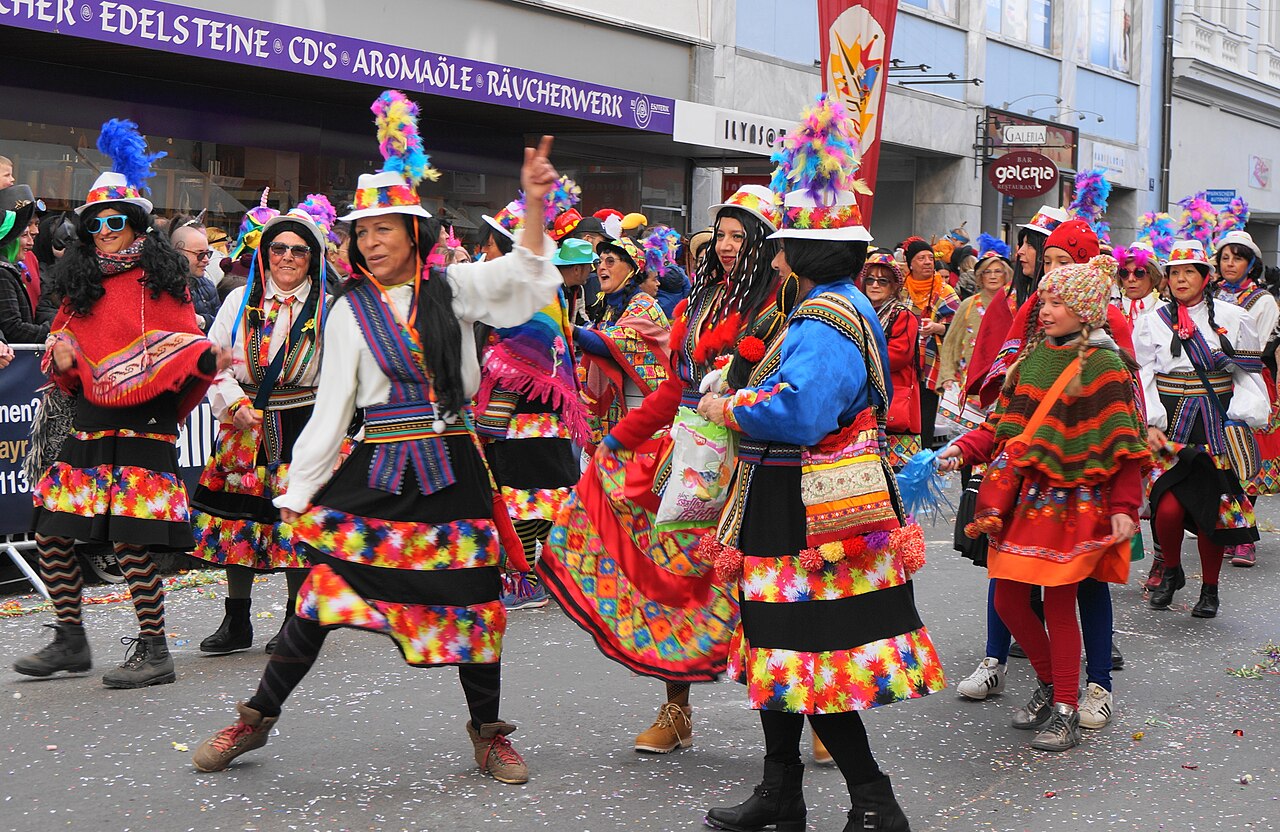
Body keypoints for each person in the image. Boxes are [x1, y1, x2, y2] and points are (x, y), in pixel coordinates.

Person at [192, 91, 562, 785]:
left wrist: (536, 206)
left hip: (453, 468)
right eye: (361, 232)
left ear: (413, 231)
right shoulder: (348, 309)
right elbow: (332, 411)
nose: (369, 241)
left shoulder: (453, 287)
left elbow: (530, 280)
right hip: (382, 470)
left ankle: (489, 734)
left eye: (383, 228)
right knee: (320, 594)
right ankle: (254, 719)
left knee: (475, 604)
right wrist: (298, 490)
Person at [696, 95, 943, 832]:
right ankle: (782, 792)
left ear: (802, 252)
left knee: (807, 657)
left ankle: (874, 799)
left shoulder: (826, 318)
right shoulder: (835, 307)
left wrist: (729, 407)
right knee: (779, 651)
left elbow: (802, 413)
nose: (770, 255)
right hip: (793, 501)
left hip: (802, 508)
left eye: (779, 245)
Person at [540, 183, 786, 756]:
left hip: (758, 465)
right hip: (692, 462)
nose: (726, 246)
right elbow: (674, 386)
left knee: (765, 590)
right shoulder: (699, 304)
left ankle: (815, 716)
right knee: (677, 578)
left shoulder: (784, 305)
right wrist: (619, 441)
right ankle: (676, 710)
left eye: (738, 235)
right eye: (720, 235)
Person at [13, 119, 224, 688]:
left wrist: (205, 361)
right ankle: (70, 639)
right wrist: (59, 359)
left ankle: (155, 651)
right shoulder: (83, 290)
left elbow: (186, 346)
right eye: (96, 223)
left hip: (144, 421)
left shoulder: (163, 284)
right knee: (55, 529)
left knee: (132, 537)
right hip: (90, 420)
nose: (105, 231)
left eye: (116, 221)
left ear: (136, 227)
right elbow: (64, 357)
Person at [939, 255, 1148, 752]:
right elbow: (999, 424)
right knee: (1009, 598)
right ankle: (1054, 682)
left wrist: (1124, 505)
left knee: (1059, 602)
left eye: (1057, 302)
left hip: (1076, 504)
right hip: (1025, 501)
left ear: (1084, 309)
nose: (1045, 309)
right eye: (1045, 300)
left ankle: (1067, 708)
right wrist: (958, 450)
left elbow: (1125, 444)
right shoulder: (1032, 357)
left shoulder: (1105, 365)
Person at [189, 202, 332, 655]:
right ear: (265, 253)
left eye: (299, 250)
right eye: (278, 248)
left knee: (293, 527)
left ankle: (295, 619)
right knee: (238, 524)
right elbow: (215, 358)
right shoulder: (239, 300)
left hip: (302, 424)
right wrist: (233, 401)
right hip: (243, 426)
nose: (287, 257)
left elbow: (338, 374)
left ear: (313, 258)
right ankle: (237, 620)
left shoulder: (327, 309)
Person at [1136, 240, 1269, 618]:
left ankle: (1210, 589)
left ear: (1205, 277)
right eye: (1174, 272)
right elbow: (1145, 372)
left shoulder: (1233, 316)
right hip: (1171, 421)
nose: (1180, 279)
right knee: (1166, 508)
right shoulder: (1151, 322)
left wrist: (1246, 412)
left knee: (1214, 510)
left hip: (1213, 420)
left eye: (1188, 271)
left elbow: (1248, 371)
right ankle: (1173, 571)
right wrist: (1150, 420)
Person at [475, 231, 593, 612]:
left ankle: (527, 581)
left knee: (524, 502)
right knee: (534, 500)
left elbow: (526, 354)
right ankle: (547, 574)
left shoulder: (531, 294)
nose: (484, 253)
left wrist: (491, 356)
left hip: (528, 416)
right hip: (529, 417)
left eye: (490, 246)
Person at [1213, 230, 1279, 566]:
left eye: (1237, 257)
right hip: (1215, 381)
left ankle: (1245, 537)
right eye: (1225, 257)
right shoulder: (1212, 294)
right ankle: (1231, 528)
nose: (1229, 264)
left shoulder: (1262, 301)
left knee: (1244, 456)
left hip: (1248, 381)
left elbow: (1253, 348)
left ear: (1251, 263)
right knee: (1221, 457)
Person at [574, 235, 672, 445]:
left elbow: (606, 344)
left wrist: (566, 327)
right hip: (618, 413)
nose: (601, 267)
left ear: (632, 269)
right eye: (599, 261)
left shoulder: (644, 306)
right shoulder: (608, 309)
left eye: (610, 261)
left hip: (644, 410)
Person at [858, 250, 920, 470]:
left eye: (883, 281)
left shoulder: (902, 315)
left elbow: (899, 356)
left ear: (894, 286)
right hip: (866, 401)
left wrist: (858, 359)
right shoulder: (860, 313)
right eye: (870, 280)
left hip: (894, 398)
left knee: (895, 475)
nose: (875, 285)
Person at [900, 236, 959, 450]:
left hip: (929, 366)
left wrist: (937, 328)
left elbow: (958, 327)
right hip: (902, 365)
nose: (927, 262)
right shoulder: (901, 289)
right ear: (910, 263)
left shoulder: (945, 291)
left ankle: (921, 463)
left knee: (925, 419)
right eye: (921, 258)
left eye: (930, 258)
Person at [939, 235, 1012, 396]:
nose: (992, 276)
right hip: (969, 384)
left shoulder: (1015, 304)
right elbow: (950, 343)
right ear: (980, 276)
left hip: (1006, 384)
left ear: (1006, 275)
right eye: (987, 272)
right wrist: (947, 376)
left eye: (998, 271)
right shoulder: (968, 305)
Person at [0, 184, 49, 343]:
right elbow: (13, 328)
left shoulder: (18, 265)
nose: (32, 239)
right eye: (23, 234)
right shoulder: (2, 273)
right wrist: (50, 332)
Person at [170, 215, 221, 332]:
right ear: (179, 252)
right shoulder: (160, 287)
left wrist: (203, 321)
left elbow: (222, 325)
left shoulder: (208, 286)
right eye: (200, 254)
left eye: (208, 253)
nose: (206, 260)